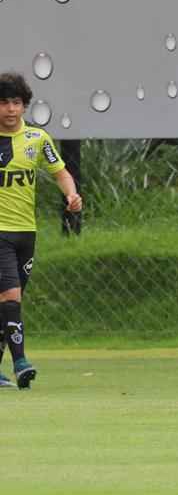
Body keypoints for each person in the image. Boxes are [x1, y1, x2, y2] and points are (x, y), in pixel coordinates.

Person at [0, 72, 83, 389]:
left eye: (16, 102)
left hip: (26, 233)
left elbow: (60, 172)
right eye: (4, 103)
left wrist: (71, 195)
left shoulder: (37, 140)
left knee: (7, 306)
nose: (11, 109)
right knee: (11, 297)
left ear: (24, 106)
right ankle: (21, 363)